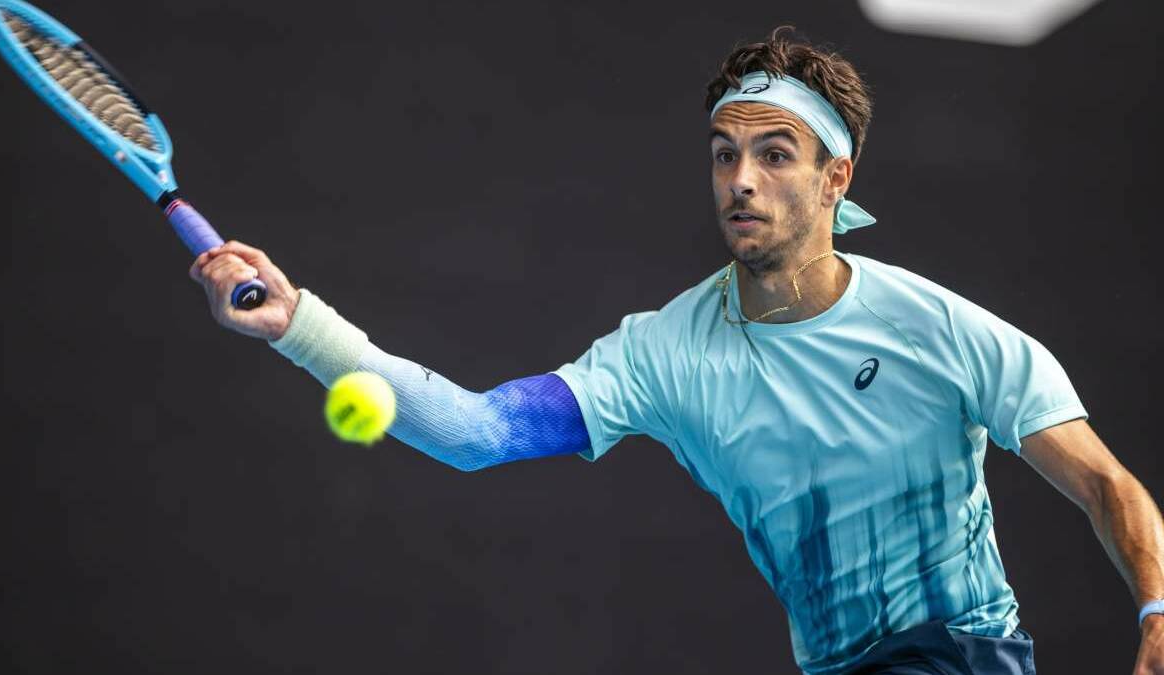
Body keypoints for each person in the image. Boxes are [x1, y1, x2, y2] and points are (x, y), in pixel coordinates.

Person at [188, 28, 1164, 675]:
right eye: (724, 153)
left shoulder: (941, 330)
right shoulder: (662, 354)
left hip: (961, 654)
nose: (741, 179)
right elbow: (477, 431)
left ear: (836, 178)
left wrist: (1156, 612)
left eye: (774, 154)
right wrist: (301, 325)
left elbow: (1106, 485)